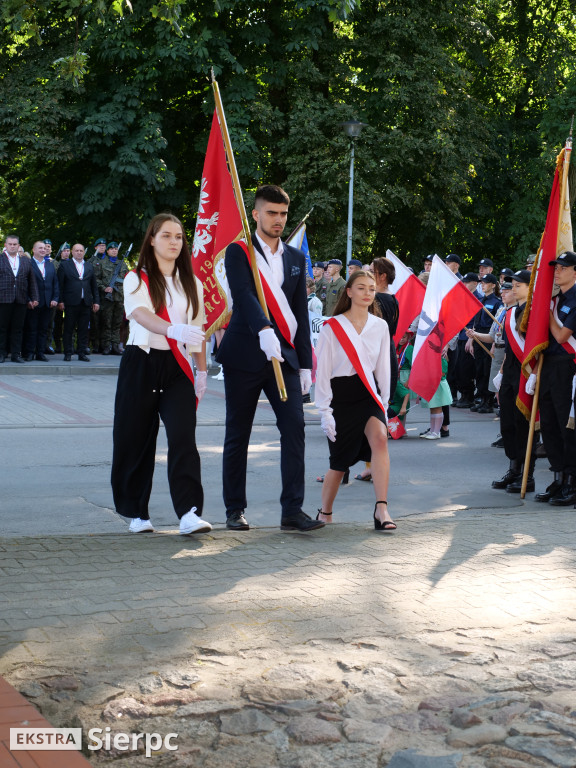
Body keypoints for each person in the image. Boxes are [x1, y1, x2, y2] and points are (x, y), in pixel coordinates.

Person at [216, 184, 322, 532]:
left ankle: (292, 510)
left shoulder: (295, 257)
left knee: (294, 430)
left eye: (283, 214)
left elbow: (299, 314)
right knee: (238, 434)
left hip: (284, 359)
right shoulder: (239, 252)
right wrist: (263, 329)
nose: (278, 220)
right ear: (256, 214)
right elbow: (243, 295)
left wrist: (305, 362)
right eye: (272, 213)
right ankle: (235, 509)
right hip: (246, 353)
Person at [111, 213, 210, 535]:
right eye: (166, 235)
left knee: (183, 438)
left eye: (179, 237)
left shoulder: (192, 283)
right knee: (136, 439)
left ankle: (189, 513)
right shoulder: (135, 278)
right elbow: (140, 314)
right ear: (151, 239)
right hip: (141, 363)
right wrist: (172, 328)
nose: (173, 242)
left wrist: (203, 371)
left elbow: (197, 332)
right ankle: (137, 512)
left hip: (178, 369)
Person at [315, 270, 395, 531]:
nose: (367, 293)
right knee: (339, 462)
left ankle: (381, 508)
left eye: (372, 289)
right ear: (349, 292)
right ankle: (325, 511)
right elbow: (323, 372)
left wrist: (384, 402)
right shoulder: (332, 326)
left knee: (380, 439)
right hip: (341, 396)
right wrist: (324, 410)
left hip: (368, 393)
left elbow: (384, 367)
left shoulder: (380, 326)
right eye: (361, 288)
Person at [534, 250, 576, 505]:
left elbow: (562, 336)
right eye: (556, 267)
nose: (557, 271)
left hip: (567, 366)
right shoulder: (554, 299)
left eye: (562, 267)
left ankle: (571, 482)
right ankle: (558, 477)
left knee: (565, 425)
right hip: (549, 365)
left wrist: (548, 316)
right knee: (548, 423)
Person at [491, 270, 534, 492]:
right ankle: (513, 468)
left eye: (518, 285)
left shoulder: (533, 312)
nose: (513, 289)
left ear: (529, 287)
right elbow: (509, 348)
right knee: (507, 421)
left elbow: (536, 346)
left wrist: (535, 373)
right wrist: (501, 372)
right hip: (509, 372)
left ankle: (527, 474)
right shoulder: (509, 313)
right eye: (512, 285)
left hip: (526, 373)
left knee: (523, 423)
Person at [0, 234, 39, 363]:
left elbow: (32, 281)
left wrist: (34, 297)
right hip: (3, 298)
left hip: (21, 298)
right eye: (10, 244)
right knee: (2, 327)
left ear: (18, 246)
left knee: (18, 328)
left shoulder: (25, 261)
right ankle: (1, 354)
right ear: (5, 245)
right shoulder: (0, 259)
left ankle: (16, 355)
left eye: (15, 244)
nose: (12, 246)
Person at [57, 243, 100, 361]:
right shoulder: (65, 265)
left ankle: (81, 353)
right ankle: (68, 353)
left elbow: (94, 286)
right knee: (68, 329)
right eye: (77, 250)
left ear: (84, 252)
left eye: (81, 251)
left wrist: (96, 301)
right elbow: (60, 285)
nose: (79, 253)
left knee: (83, 329)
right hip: (70, 302)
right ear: (72, 252)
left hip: (86, 303)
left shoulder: (89, 266)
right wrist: (60, 301)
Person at [469, 273, 502, 413]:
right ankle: (481, 398)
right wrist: (472, 339)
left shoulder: (496, 302)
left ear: (493, 285)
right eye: (481, 282)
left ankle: (488, 401)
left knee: (488, 369)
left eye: (485, 282)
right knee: (480, 369)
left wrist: (493, 341)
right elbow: (476, 321)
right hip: (478, 335)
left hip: (489, 336)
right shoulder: (481, 300)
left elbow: (496, 325)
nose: (482, 284)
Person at [24, 240, 59, 361]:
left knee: (44, 329)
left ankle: (40, 352)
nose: (43, 250)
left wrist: (55, 298)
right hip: (33, 303)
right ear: (33, 250)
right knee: (32, 329)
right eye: (40, 248)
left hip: (47, 302)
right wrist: (29, 299)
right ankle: (29, 353)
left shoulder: (50, 264)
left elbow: (55, 283)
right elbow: (25, 284)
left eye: (44, 248)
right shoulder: (28, 263)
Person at [95, 241, 129, 355]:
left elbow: (128, 281)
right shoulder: (102, 263)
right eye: (112, 249)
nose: (114, 250)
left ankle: (115, 345)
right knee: (107, 323)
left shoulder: (122, 264)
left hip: (119, 298)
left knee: (117, 323)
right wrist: (105, 288)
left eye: (116, 249)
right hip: (107, 298)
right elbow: (96, 279)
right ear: (108, 251)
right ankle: (107, 346)